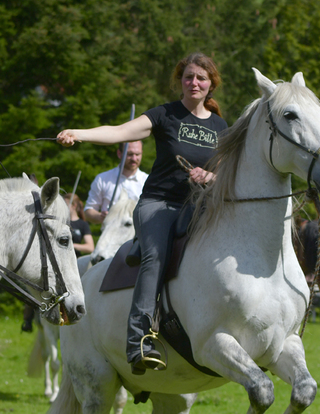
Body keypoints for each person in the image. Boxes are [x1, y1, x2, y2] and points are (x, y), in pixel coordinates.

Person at [57, 52, 228, 375]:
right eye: (189, 76)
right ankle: (138, 339)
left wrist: (211, 177)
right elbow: (120, 132)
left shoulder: (221, 127)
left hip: (199, 207)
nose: (194, 83)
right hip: (158, 205)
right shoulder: (165, 115)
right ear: (180, 80)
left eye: (201, 78)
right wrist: (79, 133)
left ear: (211, 85)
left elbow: (230, 174)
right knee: (156, 257)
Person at [84, 141, 148, 224]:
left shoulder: (148, 181)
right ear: (119, 153)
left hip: (140, 236)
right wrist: (100, 217)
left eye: (137, 154)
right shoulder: (102, 179)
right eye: (129, 154)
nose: (134, 158)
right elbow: (88, 211)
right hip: (111, 235)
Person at [63, 193, 94, 257]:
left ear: (74, 205)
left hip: (75, 258)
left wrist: (72, 245)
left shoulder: (83, 224)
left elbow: (90, 247)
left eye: (65, 204)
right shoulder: (61, 222)